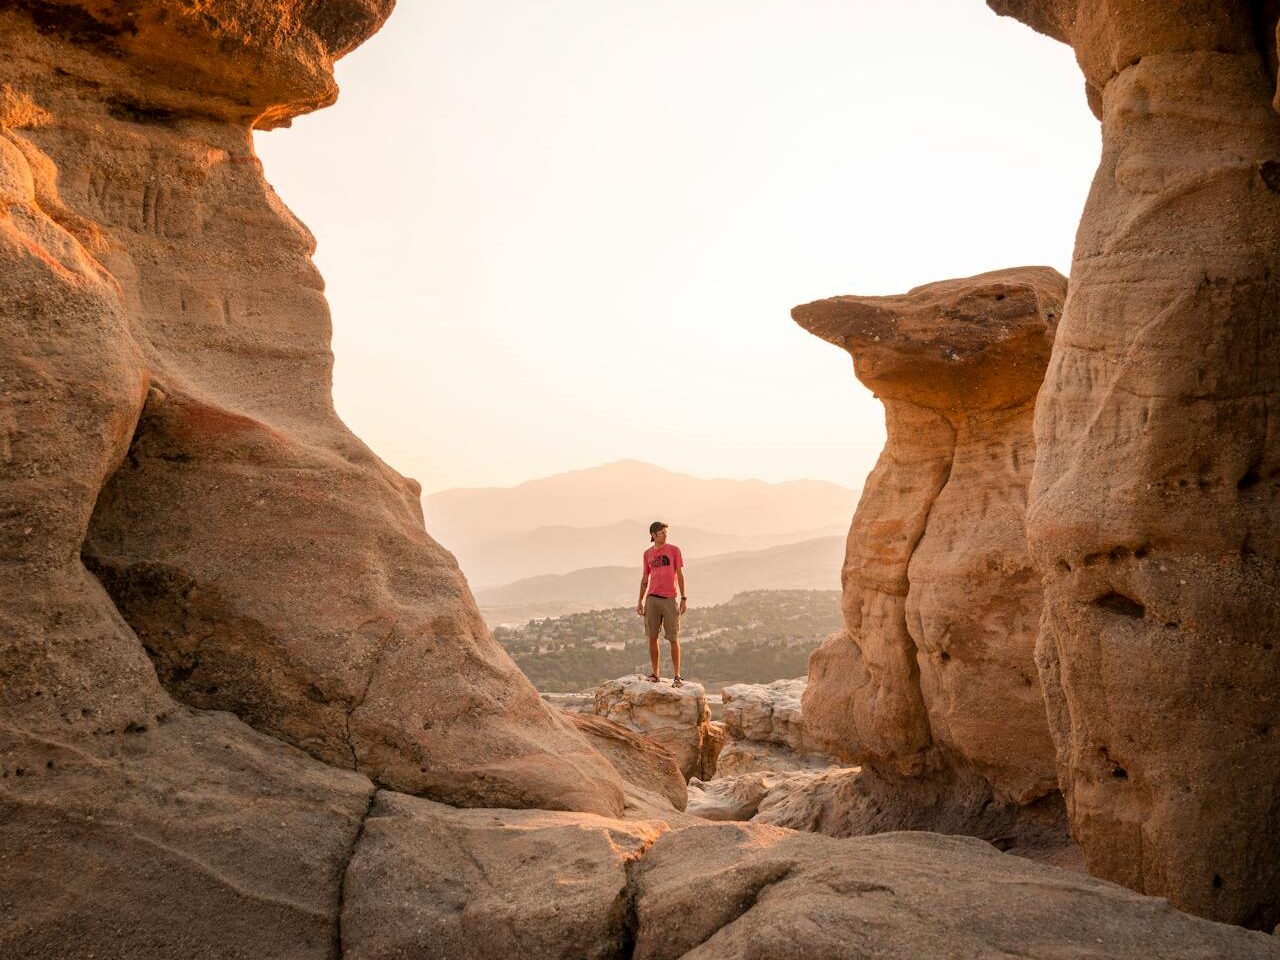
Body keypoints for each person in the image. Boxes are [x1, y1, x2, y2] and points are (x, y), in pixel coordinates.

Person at [636, 520, 687, 686]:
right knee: (652, 637)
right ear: (653, 535)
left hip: (670, 598)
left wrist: (683, 598)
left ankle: (677, 676)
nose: (665, 535)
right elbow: (645, 578)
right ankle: (655, 674)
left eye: (666, 532)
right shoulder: (647, 554)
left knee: (673, 638)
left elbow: (679, 574)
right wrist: (640, 600)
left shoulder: (674, 550)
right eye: (662, 532)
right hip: (652, 598)